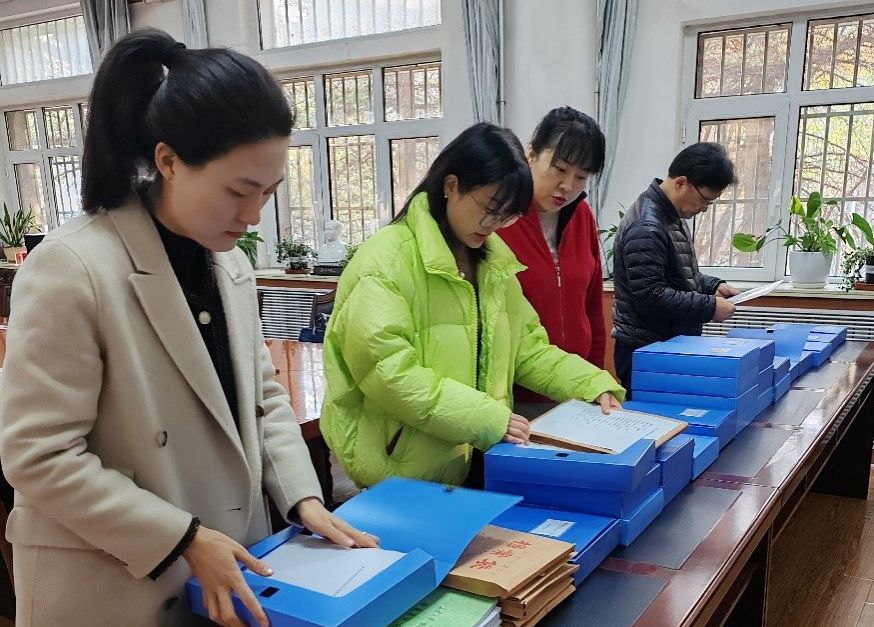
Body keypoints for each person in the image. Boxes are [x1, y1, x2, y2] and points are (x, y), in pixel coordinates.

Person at [0, 29, 374, 627]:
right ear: (169, 161)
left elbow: (262, 399)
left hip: (227, 563)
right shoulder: (73, 267)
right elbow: (37, 456)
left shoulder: (231, 264)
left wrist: (304, 498)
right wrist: (183, 537)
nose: (253, 215)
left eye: (268, 192)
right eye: (238, 190)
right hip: (114, 583)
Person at [320, 122, 625, 490]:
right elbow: (388, 371)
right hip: (399, 464)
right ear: (451, 186)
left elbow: (527, 348)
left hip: (464, 455)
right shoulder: (385, 261)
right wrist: (484, 417)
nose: (494, 225)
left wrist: (591, 384)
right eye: (490, 209)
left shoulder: (492, 261)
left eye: (506, 215)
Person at [611, 142, 740, 393]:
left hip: (664, 345)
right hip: (646, 351)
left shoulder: (671, 216)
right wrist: (709, 307)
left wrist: (714, 286)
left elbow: (681, 275)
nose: (704, 208)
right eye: (704, 200)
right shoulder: (646, 226)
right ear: (681, 183)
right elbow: (650, 296)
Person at [499, 107, 608, 404]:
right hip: (516, 396)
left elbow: (593, 310)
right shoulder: (500, 219)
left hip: (576, 389)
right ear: (531, 155)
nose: (567, 186)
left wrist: (594, 380)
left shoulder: (582, 216)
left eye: (581, 177)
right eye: (560, 169)